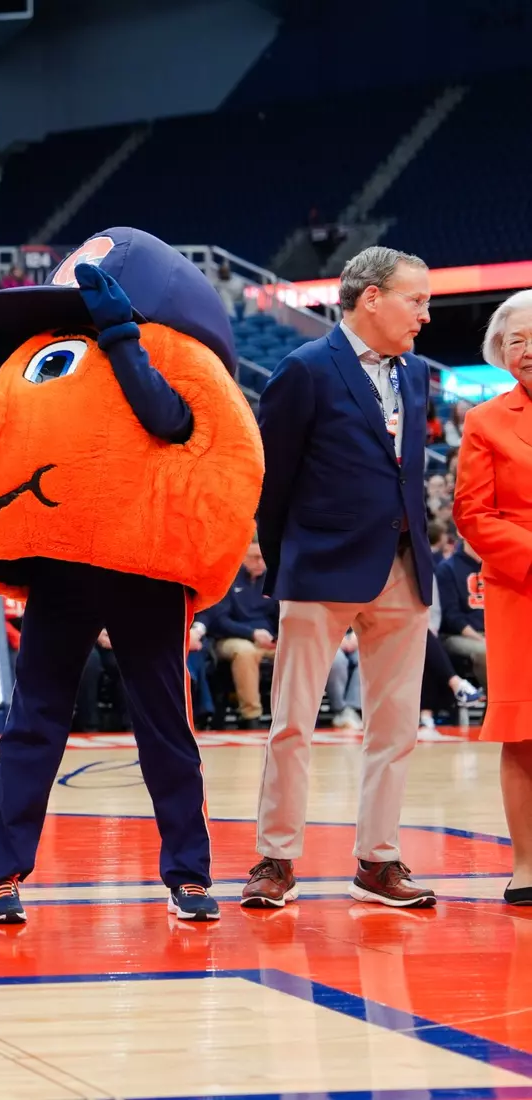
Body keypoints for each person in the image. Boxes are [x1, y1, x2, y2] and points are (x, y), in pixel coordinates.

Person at [0, 227, 264, 925]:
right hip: (64, 561)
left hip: (145, 563)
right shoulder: (55, 359)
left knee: (164, 724)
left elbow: (169, 419)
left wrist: (121, 335)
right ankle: (2, 872)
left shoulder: (147, 352)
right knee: (35, 721)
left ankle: (189, 873)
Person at [245, 246, 437, 910]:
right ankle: (276, 858)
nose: (427, 315)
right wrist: (287, 558)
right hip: (320, 566)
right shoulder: (303, 369)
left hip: (403, 567)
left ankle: (378, 861)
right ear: (373, 298)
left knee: (396, 728)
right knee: (293, 723)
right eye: (417, 300)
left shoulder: (415, 376)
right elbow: (272, 485)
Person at [451, 288, 532, 905]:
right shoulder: (484, 421)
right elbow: (473, 514)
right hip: (520, 592)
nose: (526, 349)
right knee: (523, 732)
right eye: (515, 339)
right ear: (500, 352)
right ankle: (527, 864)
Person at [204, 542, 279, 729]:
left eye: (263, 558)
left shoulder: (273, 580)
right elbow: (219, 620)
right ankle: (251, 715)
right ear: (243, 558)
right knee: (245, 652)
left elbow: (281, 615)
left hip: (267, 640)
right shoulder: (228, 578)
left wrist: (277, 637)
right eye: (254, 558)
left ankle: (287, 715)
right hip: (230, 638)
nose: (260, 562)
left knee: (292, 653)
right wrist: (252, 633)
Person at [436, 537, 486, 689]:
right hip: (458, 635)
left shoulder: (495, 565)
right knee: (488, 653)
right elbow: (451, 616)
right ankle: (496, 706)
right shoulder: (447, 568)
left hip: (493, 634)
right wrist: (480, 638)